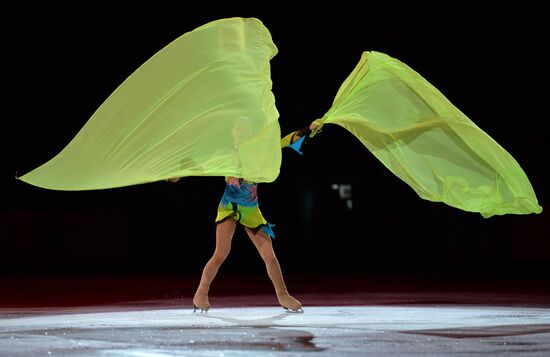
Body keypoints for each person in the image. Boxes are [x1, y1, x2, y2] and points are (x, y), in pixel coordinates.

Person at [169, 120, 319, 313]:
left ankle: (283, 295)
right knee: (221, 253)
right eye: (239, 128)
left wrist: (309, 128)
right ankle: (201, 293)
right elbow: (199, 166)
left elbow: (285, 141)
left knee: (269, 256)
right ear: (232, 133)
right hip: (229, 208)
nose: (244, 131)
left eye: (247, 128)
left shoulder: (260, 151)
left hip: (251, 209)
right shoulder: (225, 155)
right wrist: (178, 173)